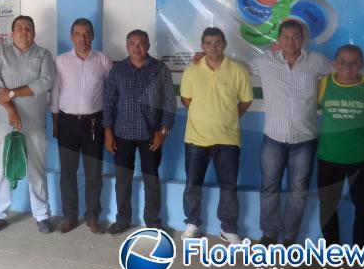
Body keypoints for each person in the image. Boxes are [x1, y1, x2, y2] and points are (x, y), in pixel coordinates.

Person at [254, 20, 334, 247]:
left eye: (296, 36)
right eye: (286, 36)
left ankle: (290, 237)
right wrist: (202, 58)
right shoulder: (264, 61)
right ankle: (269, 235)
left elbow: (346, 71)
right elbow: (231, 68)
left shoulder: (317, 61)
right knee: (270, 187)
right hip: (273, 138)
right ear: (278, 40)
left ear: (303, 39)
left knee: (299, 190)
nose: (291, 41)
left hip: (305, 140)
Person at [180, 27, 253, 244]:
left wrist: (227, 117)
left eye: (218, 42)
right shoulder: (192, 69)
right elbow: (186, 100)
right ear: (202, 45)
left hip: (228, 139)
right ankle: (192, 223)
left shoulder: (238, 70)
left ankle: (228, 229)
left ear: (225, 44)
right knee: (193, 184)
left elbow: (246, 100)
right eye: (209, 43)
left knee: (229, 187)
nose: (214, 47)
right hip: (196, 138)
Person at [103, 29, 175, 235]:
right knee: (122, 180)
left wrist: (163, 132)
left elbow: (170, 105)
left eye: (141, 43)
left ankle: (152, 221)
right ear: (127, 46)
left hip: (151, 136)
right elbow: (108, 103)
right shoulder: (118, 71)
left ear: (149, 46)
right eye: (132, 43)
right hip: (121, 134)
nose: (137, 47)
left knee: (151, 180)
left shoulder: (160, 70)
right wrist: (108, 132)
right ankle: (122, 219)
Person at [0, 15, 54, 234]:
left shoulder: (43, 54)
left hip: (34, 124)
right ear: (12, 33)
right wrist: (11, 110)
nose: (24, 31)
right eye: (19, 28)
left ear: (33, 33)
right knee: (3, 168)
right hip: (5, 123)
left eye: (28, 28)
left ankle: (42, 214)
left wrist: (13, 93)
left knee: (36, 170)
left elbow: (44, 82)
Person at [317, 45, 364, 247]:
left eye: (354, 62)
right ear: (335, 64)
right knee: (328, 207)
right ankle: (332, 250)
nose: (347, 66)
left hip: (363, 158)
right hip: (329, 157)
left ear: (362, 65)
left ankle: (363, 253)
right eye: (342, 61)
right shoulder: (323, 85)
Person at [49, 18, 112, 234]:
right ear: (71, 36)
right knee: (68, 172)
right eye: (78, 33)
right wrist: (56, 121)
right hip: (66, 122)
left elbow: (111, 92)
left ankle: (93, 216)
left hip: (95, 123)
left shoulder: (102, 60)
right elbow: (55, 91)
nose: (82, 38)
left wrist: (108, 126)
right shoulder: (61, 61)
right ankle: (69, 216)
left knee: (93, 173)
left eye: (86, 33)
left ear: (93, 36)